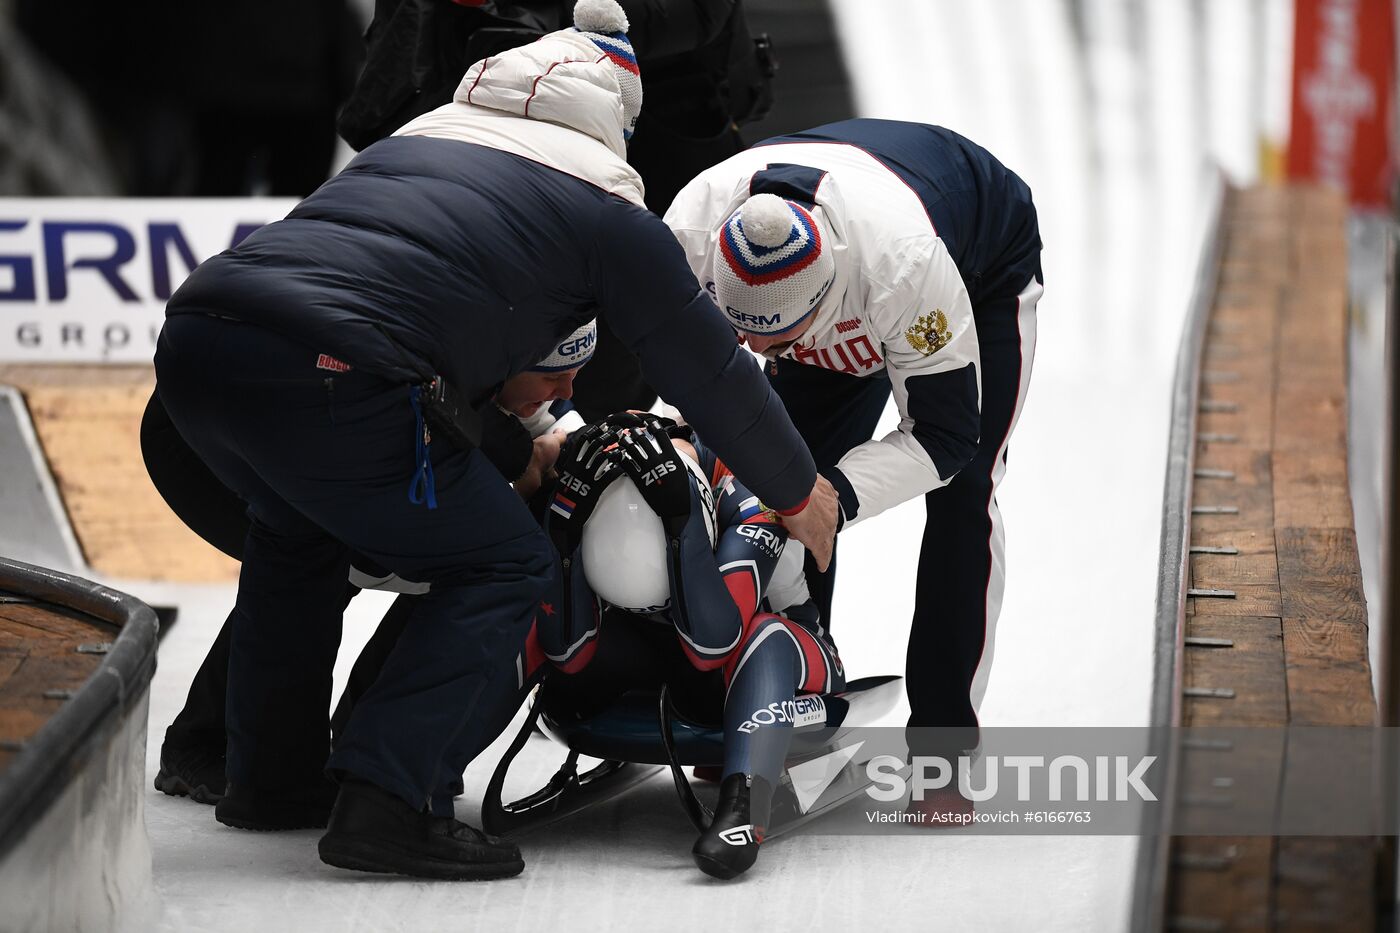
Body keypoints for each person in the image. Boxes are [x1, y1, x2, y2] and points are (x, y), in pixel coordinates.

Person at [154, 0, 836, 881]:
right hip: (334, 370)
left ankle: (272, 781)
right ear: (614, 118)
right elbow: (710, 369)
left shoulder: (416, 142)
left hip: (198, 345)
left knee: (299, 538)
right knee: (505, 564)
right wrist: (795, 487)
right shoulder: (600, 204)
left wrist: (516, 451)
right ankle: (389, 799)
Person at [663, 119, 1043, 758]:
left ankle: (944, 740)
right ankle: (779, 688)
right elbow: (659, 360)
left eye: (773, 344)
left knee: (964, 489)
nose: (755, 353)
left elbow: (946, 439)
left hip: (978, 262)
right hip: (848, 240)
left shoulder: (905, 273)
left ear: (821, 308)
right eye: (738, 334)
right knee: (774, 492)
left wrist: (834, 494)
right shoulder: (687, 235)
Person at [147, 323, 595, 807]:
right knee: (315, 558)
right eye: (553, 376)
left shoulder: (503, 350)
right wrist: (520, 456)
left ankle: (367, 743)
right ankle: (202, 741)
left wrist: (573, 445)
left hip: (297, 407)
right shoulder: (439, 353)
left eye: (574, 374)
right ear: (502, 362)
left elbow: (555, 427)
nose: (566, 388)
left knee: (472, 553)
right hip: (207, 436)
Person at [336, 0, 777, 420]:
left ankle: (597, 454)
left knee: (630, 337)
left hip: (650, 140)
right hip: (478, 134)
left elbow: (696, 14)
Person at [458, 413, 843, 880]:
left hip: (762, 659)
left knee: (767, 637)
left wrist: (683, 527)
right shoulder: (584, 472)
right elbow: (568, 650)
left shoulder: (752, 491)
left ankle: (745, 808)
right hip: (647, 655)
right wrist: (563, 533)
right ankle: (427, 775)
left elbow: (710, 645)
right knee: (521, 618)